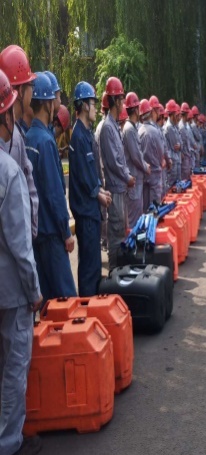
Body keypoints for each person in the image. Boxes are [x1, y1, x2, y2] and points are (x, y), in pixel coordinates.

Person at [0, 66, 44, 455]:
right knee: (15, 366)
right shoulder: (7, 171)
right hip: (12, 288)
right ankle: (8, 443)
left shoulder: (15, 151)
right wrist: (34, 292)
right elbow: (19, 243)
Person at [25, 72, 76, 300]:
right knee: (66, 300)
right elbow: (54, 193)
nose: (59, 101)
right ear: (47, 103)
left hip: (37, 234)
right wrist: (65, 232)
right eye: (56, 96)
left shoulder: (29, 137)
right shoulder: (45, 142)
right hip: (52, 235)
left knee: (48, 302)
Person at [69, 81, 111, 296]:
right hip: (85, 213)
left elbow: (91, 173)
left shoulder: (85, 133)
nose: (95, 108)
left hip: (90, 211)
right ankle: (87, 305)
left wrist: (101, 191)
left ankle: (93, 303)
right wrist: (99, 194)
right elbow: (85, 177)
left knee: (94, 265)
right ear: (84, 105)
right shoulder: (78, 135)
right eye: (93, 103)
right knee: (88, 268)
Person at [0, 45, 39, 239]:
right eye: (30, 86)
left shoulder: (16, 133)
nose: (32, 94)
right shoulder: (12, 138)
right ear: (20, 90)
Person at [99, 77, 135, 270]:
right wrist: (127, 177)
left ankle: (120, 271)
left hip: (120, 187)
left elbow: (121, 159)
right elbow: (114, 162)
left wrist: (127, 176)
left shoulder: (113, 126)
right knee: (115, 236)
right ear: (114, 100)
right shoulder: (107, 128)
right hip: (115, 188)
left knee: (121, 232)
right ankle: (114, 273)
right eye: (120, 98)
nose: (123, 103)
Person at [123, 92, 150, 223]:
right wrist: (145, 166)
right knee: (134, 221)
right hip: (133, 183)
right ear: (135, 110)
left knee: (137, 217)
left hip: (137, 181)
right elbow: (135, 157)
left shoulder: (132, 128)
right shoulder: (129, 130)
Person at [139, 99, 164, 211]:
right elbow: (161, 152)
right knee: (155, 209)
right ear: (150, 113)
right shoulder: (154, 131)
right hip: (155, 174)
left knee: (145, 208)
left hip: (144, 175)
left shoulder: (139, 131)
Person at [164, 100, 182, 185]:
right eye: (175, 113)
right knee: (171, 185)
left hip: (176, 160)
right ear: (172, 114)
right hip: (173, 161)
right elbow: (175, 146)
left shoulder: (174, 126)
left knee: (177, 184)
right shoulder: (169, 127)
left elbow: (180, 143)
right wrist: (180, 145)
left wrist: (180, 145)